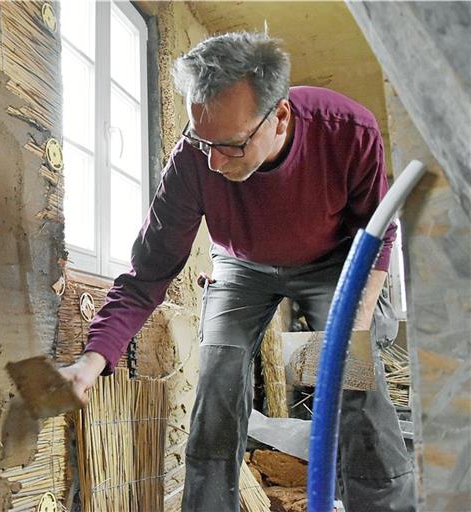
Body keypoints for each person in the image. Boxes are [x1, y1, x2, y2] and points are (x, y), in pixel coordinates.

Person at [59, 32, 415, 511]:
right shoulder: (194, 161)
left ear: (280, 118)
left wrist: (361, 316)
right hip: (242, 264)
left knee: (354, 383)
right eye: (199, 139)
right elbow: (147, 276)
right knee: (219, 381)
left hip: (332, 260)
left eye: (230, 145)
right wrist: (92, 360)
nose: (212, 160)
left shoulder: (348, 130)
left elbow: (377, 236)